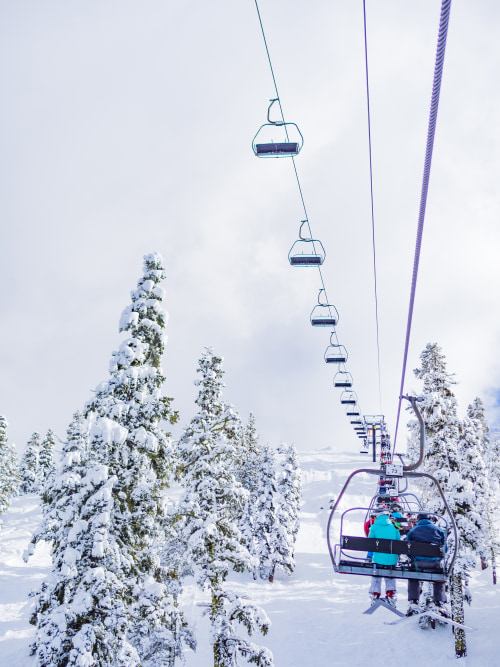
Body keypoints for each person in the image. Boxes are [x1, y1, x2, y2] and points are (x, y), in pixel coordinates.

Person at [405, 512, 447, 615]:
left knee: (413, 575)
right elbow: (445, 548)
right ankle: (439, 601)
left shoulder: (413, 531)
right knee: (439, 575)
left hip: (417, 564)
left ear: (418, 520)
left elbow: (407, 547)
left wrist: (412, 557)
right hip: (434, 564)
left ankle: (414, 600)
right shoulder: (439, 530)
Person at [367, 510, 401, 606]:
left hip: (378, 559)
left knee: (376, 572)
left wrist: (369, 556)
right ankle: (390, 593)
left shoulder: (374, 527)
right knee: (390, 571)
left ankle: (375, 593)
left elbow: (369, 543)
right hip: (391, 560)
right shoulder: (394, 527)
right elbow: (398, 542)